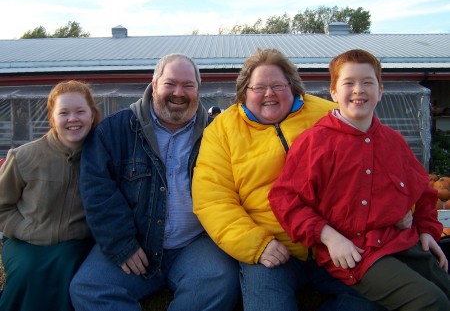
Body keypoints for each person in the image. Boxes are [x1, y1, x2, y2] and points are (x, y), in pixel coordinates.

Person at [192, 48, 387, 311]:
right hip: (272, 248)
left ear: (293, 87)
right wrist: (256, 244)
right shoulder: (222, 131)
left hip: (336, 243)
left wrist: (406, 212)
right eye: (258, 87)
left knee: (370, 301)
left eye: (278, 86)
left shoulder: (328, 114)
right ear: (244, 92)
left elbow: (380, 160)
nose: (269, 94)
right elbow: (212, 199)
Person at [269, 49, 450, 311]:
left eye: (367, 82)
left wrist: (427, 229)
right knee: (431, 303)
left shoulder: (393, 142)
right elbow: (284, 200)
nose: (358, 90)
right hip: (356, 253)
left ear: (380, 91)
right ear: (333, 93)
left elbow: (423, 192)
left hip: (400, 241)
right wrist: (329, 237)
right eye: (348, 83)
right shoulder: (315, 143)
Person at [69, 53, 240, 311]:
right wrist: (122, 244)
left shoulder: (217, 133)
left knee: (220, 282)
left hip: (194, 245)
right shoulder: (113, 131)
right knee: (88, 288)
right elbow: (98, 192)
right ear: (154, 83)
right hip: (135, 242)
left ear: (198, 89)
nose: (178, 92)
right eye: (170, 83)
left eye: (188, 85)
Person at [0, 80, 101, 311]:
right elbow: (2, 207)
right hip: (26, 242)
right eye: (63, 112)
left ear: (92, 115)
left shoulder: (103, 157)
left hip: (74, 244)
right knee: (26, 273)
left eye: (80, 111)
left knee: (69, 273)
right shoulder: (23, 156)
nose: (72, 119)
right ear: (52, 118)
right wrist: (26, 230)